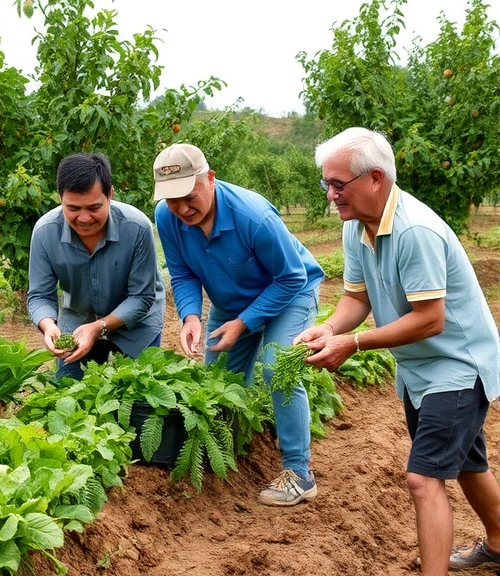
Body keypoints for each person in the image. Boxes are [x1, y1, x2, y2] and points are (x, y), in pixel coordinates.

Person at [297, 127, 500, 575]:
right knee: (466, 460)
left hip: (458, 366)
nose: (330, 194)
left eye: (337, 184)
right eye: (325, 183)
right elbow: (357, 298)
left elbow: (431, 318)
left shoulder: (414, 231)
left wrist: (352, 342)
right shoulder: (358, 227)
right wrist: (327, 328)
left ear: (374, 178)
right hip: (419, 368)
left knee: (423, 477)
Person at [153, 143, 324, 506]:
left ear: (210, 179)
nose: (182, 208)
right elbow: (181, 272)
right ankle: (222, 457)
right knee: (217, 383)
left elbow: (291, 278)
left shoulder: (254, 217)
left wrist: (244, 324)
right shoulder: (167, 219)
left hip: (290, 295)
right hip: (231, 304)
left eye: (188, 195)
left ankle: (300, 472)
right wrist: (191, 316)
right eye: (172, 200)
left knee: (278, 369)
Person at [27, 152, 165, 381]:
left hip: (137, 325)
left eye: (93, 208)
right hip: (78, 321)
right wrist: (48, 325)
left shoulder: (137, 227)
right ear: (60, 198)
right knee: (70, 394)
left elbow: (141, 297)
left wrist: (98, 327)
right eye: (73, 208)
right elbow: (40, 295)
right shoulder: (45, 232)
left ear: (110, 195)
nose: (84, 218)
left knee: (138, 396)